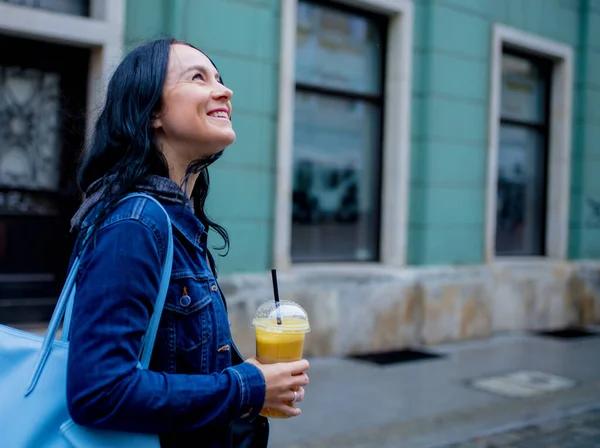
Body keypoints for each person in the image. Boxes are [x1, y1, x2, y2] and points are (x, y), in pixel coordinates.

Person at [65, 38, 310, 448]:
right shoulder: (136, 223)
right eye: (198, 77)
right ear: (153, 111)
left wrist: (256, 382)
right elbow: (98, 392)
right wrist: (247, 386)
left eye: (220, 78)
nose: (224, 90)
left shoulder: (177, 222)